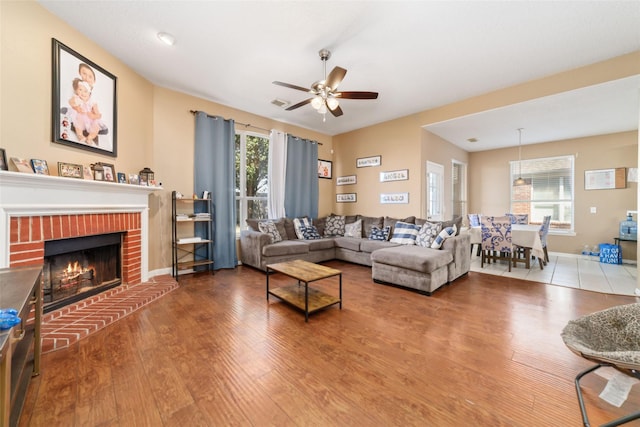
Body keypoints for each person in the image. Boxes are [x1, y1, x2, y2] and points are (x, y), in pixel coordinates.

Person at [69, 78, 102, 144]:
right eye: (80, 90)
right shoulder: (76, 98)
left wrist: (93, 116)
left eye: (85, 91)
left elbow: (99, 115)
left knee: (96, 126)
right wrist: (76, 108)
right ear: (76, 91)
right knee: (78, 121)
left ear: (89, 93)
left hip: (90, 120)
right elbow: (70, 103)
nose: (82, 93)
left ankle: (90, 138)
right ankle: (80, 135)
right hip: (80, 116)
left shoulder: (92, 102)